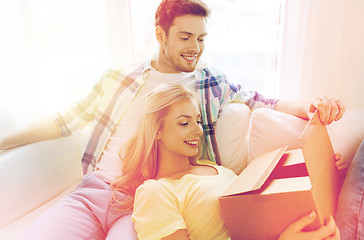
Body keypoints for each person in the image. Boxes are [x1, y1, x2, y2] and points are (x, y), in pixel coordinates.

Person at [0, 0, 347, 239]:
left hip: (146, 202)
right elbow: (65, 120)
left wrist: (313, 106)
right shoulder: (118, 77)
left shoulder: (210, 82)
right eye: (185, 37)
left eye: (201, 38)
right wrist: (5, 140)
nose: (195, 47)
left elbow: (262, 101)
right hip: (95, 192)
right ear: (160, 35)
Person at [111, 84, 341, 240]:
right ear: (157, 131)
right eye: (184, 123)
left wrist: (324, 173)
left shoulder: (213, 167)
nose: (197, 131)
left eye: (198, 120)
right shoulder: (154, 191)